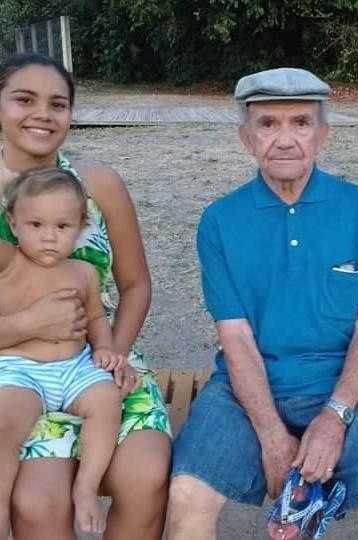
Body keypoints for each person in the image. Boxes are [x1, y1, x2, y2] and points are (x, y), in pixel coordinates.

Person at [169, 67, 358, 540]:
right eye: (268, 124)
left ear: (322, 134)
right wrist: (270, 434)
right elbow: (235, 336)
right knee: (187, 497)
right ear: (246, 138)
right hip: (247, 389)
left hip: (345, 387)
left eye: (300, 122)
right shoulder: (220, 221)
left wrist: (335, 418)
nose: (285, 140)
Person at [0, 52, 171, 540]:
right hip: (12, 371)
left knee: (146, 474)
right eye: (24, 99)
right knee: (37, 502)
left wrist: (113, 352)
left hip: (92, 361)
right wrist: (27, 324)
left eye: (58, 104)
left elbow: (135, 285)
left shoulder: (99, 185)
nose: (42, 114)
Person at [0, 168, 125, 538]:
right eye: (35, 224)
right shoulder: (9, 264)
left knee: (107, 400)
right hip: (20, 369)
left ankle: (86, 486)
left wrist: (105, 347)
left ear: (81, 227)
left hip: (74, 367)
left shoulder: (84, 272)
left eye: (62, 226)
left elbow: (96, 318)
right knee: (4, 425)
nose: (49, 237)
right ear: (13, 223)